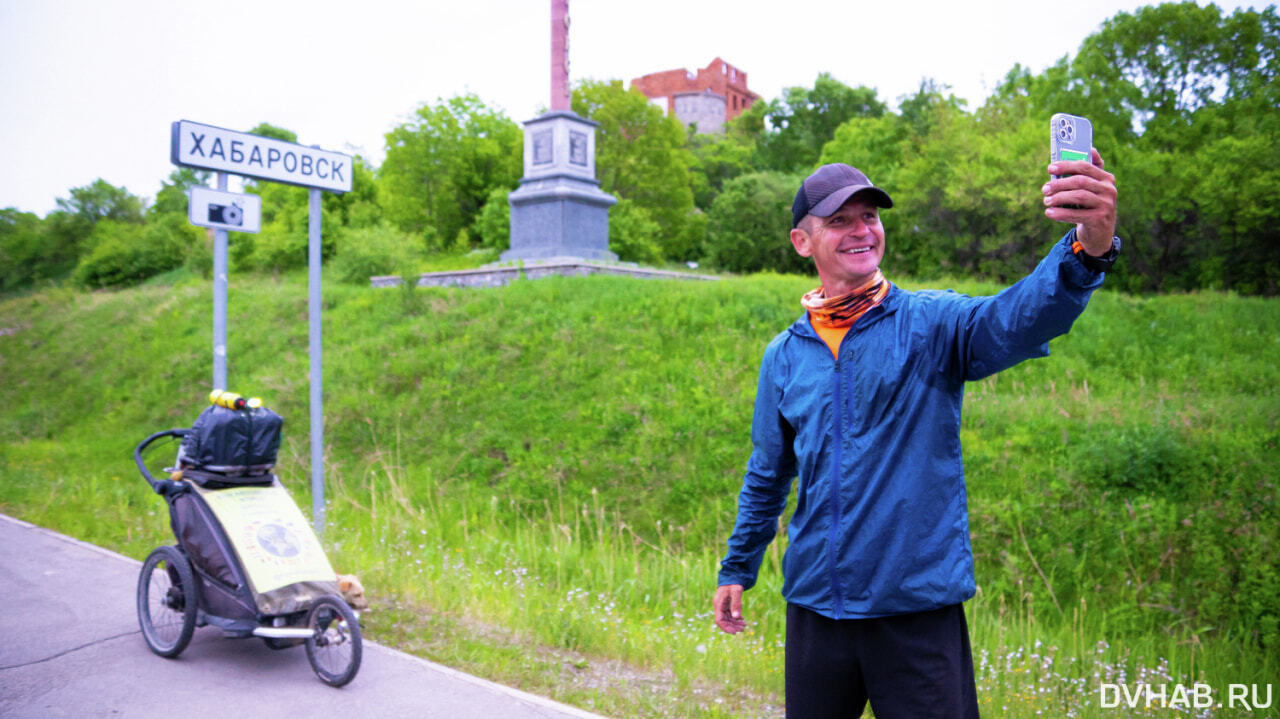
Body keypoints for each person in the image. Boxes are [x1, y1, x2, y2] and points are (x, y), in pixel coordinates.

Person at [712, 152, 1119, 718]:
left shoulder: (931, 323)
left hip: (915, 612)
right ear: (802, 242)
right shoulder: (784, 356)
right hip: (815, 610)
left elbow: (1018, 318)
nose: (861, 230)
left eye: (870, 217)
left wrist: (1087, 247)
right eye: (839, 221)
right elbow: (768, 472)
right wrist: (738, 566)